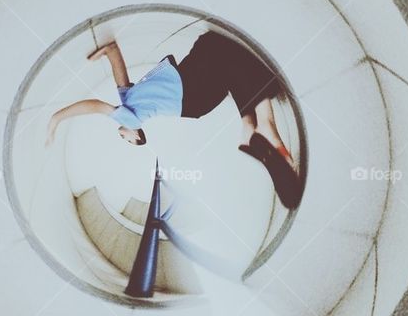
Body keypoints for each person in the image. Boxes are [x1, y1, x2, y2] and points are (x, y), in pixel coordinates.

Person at [45, 31, 302, 208]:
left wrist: (110, 50)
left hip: (192, 96)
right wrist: (57, 118)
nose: (121, 135)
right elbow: (94, 106)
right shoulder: (132, 119)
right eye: (126, 140)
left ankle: (251, 126)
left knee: (226, 61)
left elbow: (118, 69)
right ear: (136, 136)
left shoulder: (129, 98)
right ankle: (263, 124)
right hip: (189, 95)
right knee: (213, 45)